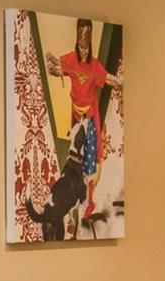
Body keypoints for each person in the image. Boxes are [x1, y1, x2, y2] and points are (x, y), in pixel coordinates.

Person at [45, 19, 122, 228]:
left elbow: (107, 79)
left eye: (87, 47)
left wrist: (118, 82)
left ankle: (88, 200)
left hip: (89, 117)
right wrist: (52, 65)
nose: (84, 51)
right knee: (74, 163)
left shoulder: (94, 65)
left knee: (89, 162)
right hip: (75, 118)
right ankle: (74, 204)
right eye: (81, 47)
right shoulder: (71, 60)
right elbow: (58, 68)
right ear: (77, 45)